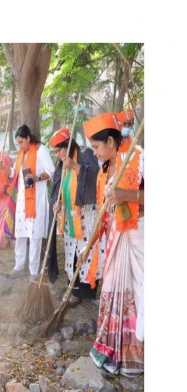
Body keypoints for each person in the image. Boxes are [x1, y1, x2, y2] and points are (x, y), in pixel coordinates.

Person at [83, 112, 144, 378]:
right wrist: (91, 243)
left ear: (110, 141)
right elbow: (105, 210)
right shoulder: (106, 168)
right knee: (112, 288)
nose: (95, 153)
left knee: (141, 295)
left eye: (96, 147)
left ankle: (136, 352)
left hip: (140, 235)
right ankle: (112, 348)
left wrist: (125, 195)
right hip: (116, 237)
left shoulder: (139, 158)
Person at [48, 127, 102, 304]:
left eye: (59, 150)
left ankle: (85, 291)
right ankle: (73, 286)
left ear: (68, 145)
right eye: (56, 152)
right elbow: (58, 186)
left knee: (86, 251)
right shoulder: (62, 162)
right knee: (71, 252)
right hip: (70, 215)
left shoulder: (86, 155)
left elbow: (96, 179)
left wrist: (76, 166)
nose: (58, 155)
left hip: (86, 213)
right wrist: (58, 202)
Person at [8, 124, 54, 281]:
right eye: (17, 143)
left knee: (34, 236)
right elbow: (14, 171)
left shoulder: (41, 150)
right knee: (20, 233)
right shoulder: (22, 153)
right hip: (22, 201)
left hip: (36, 201)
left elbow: (50, 171)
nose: (19, 145)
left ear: (28, 138)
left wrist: (36, 178)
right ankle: (19, 265)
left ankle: (34, 271)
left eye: (21, 142)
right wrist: (7, 170)